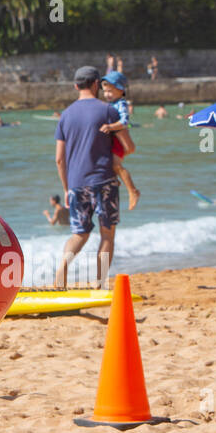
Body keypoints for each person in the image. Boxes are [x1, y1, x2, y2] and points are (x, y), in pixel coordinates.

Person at [54, 65, 133, 289]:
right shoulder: (108, 111)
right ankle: (99, 284)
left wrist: (67, 188)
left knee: (79, 234)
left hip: (77, 184)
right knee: (107, 234)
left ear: (75, 86)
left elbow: (60, 159)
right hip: (104, 180)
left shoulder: (66, 116)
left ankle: (61, 273)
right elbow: (128, 146)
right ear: (97, 84)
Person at [99, 71, 140, 210]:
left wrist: (110, 126)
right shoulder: (113, 103)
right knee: (111, 162)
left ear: (121, 90)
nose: (107, 95)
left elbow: (124, 122)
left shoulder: (121, 103)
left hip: (117, 139)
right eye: (105, 91)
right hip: (115, 139)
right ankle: (117, 179)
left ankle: (132, 190)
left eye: (110, 91)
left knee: (116, 164)